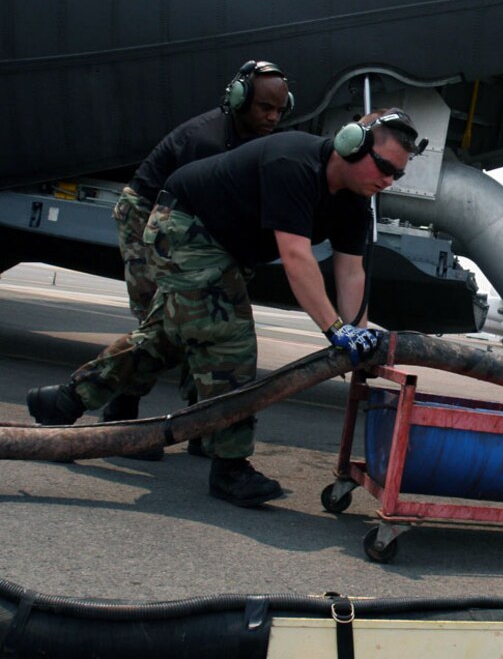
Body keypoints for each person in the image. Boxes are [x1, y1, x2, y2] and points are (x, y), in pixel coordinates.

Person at [26, 109, 422, 507]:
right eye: (385, 167)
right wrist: (336, 330)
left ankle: (63, 401)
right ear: (350, 145)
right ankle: (230, 467)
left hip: (224, 247)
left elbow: (351, 272)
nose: (389, 180)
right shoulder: (295, 164)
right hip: (185, 224)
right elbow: (296, 256)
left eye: (398, 175)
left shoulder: (355, 203)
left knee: (165, 338)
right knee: (228, 341)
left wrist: (360, 334)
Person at [104, 60, 293, 460]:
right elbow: (191, 216)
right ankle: (119, 414)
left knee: (203, 321)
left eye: (280, 109)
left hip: (197, 226)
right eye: (264, 108)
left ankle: (201, 425)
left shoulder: (248, 139)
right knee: (164, 321)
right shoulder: (204, 140)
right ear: (239, 99)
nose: (273, 118)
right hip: (149, 217)